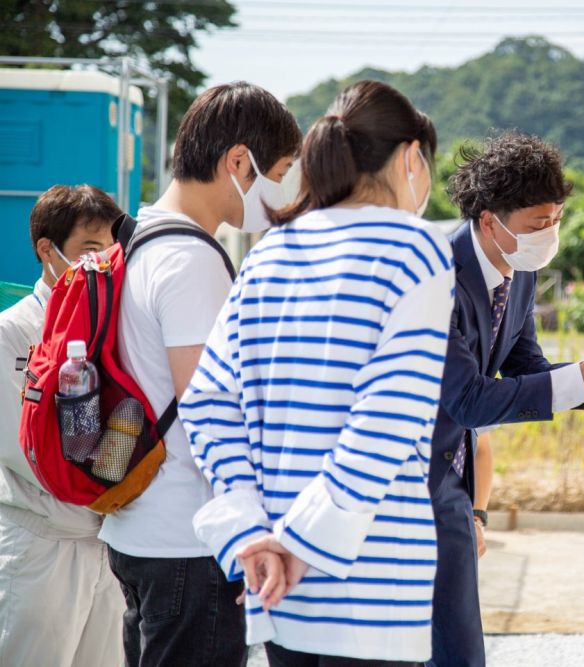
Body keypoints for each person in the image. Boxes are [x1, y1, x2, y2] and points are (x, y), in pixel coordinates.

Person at [178, 80, 454, 667]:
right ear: (411, 157)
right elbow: (389, 419)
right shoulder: (415, 248)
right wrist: (301, 542)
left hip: (276, 587)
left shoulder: (270, 252)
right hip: (370, 590)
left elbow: (205, 401)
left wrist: (253, 531)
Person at [428, 131, 584, 666]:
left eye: (556, 220)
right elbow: (467, 401)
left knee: (454, 648)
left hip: (452, 493)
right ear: (490, 220)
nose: (550, 234)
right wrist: (582, 377)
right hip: (406, 488)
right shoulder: (437, 274)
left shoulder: (522, 273)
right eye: (538, 225)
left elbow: (527, 369)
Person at [98, 81, 302, 666]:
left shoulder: (141, 237)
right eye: (280, 171)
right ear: (239, 161)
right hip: (188, 540)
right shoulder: (192, 261)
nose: (281, 191)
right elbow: (211, 407)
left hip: (140, 526)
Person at [0, 185, 122, 666]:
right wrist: (112, 484)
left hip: (108, 544)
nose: (102, 266)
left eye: (110, 253)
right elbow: (20, 445)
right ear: (46, 250)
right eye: (89, 251)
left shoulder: (110, 324)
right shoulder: (13, 332)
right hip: (41, 545)